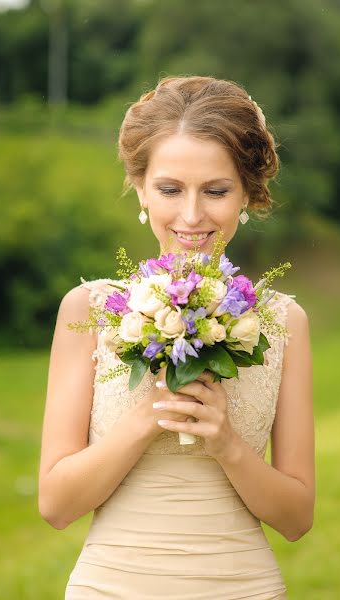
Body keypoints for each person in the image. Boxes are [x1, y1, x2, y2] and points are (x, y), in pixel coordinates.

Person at [38, 75, 315, 599]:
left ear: (248, 196)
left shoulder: (283, 322)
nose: (191, 216)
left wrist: (227, 443)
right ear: (140, 187)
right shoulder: (88, 311)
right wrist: (147, 417)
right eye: (170, 189)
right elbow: (56, 506)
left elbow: (297, 518)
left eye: (216, 191)